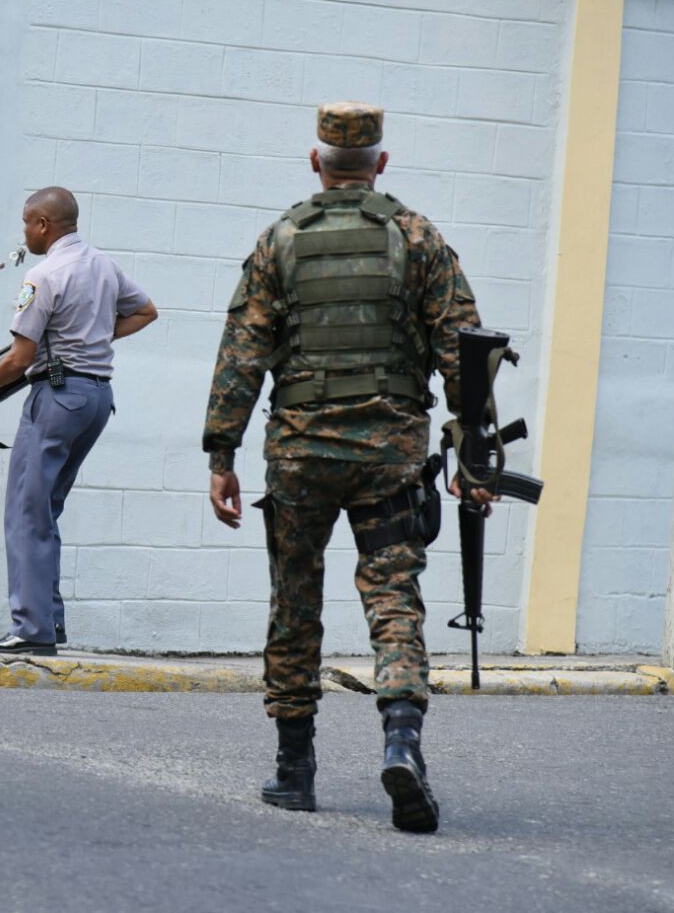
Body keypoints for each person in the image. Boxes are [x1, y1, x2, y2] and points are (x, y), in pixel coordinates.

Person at [202, 102, 496, 833]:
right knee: (392, 597)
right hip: (388, 454)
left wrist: (221, 453)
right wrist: (472, 449)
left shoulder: (280, 240)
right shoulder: (418, 237)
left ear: (316, 163)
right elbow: (464, 349)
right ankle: (401, 742)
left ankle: (293, 771)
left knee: (294, 603)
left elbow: (243, 356)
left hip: (299, 453)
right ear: (379, 165)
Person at [0, 186, 158, 656]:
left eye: (27, 223)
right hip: (96, 397)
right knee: (46, 508)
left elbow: (20, 356)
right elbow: (146, 312)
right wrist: (93, 334)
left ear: (43, 225)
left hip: (58, 396)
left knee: (27, 511)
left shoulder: (45, 273)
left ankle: (32, 629)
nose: (25, 232)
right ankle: (49, 621)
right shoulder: (103, 265)